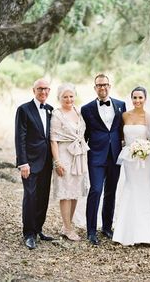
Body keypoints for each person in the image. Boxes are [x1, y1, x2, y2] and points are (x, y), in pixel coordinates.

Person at [112, 86, 150, 246]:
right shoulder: (124, 115)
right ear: (131, 99)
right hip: (129, 160)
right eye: (135, 97)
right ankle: (125, 232)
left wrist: (143, 151)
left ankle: (146, 233)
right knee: (130, 188)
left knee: (144, 190)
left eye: (140, 98)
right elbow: (121, 137)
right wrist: (130, 148)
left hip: (145, 161)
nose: (137, 100)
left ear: (145, 99)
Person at [81, 74, 126, 245]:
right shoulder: (86, 109)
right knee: (96, 190)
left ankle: (107, 227)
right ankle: (91, 231)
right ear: (95, 88)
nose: (102, 88)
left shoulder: (121, 105)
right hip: (96, 155)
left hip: (115, 154)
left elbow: (122, 130)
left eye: (105, 85)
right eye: (99, 85)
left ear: (110, 86)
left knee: (111, 191)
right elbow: (83, 135)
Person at [15, 78, 54, 250]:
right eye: (40, 89)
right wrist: (23, 162)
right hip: (29, 163)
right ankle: (29, 233)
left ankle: (38, 229)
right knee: (30, 197)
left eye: (46, 89)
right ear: (34, 90)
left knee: (43, 196)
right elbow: (20, 137)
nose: (43, 91)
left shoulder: (51, 110)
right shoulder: (23, 109)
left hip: (47, 161)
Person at [50, 83, 89, 241]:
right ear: (59, 98)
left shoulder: (77, 111)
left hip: (78, 156)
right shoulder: (57, 115)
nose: (68, 99)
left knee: (74, 193)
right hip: (64, 156)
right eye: (65, 96)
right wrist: (57, 162)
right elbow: (53, 140)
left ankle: (68, 224)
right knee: (65, 193)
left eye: (71, 96)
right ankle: (67, 228)